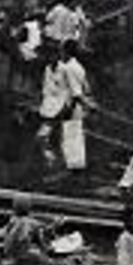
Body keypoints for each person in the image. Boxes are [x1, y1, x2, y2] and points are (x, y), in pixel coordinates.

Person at [56, 40, 92, 173]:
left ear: (65, 52)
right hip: (75, 106)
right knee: (74, 136)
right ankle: (75, 166)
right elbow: (86, 87)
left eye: (61, 51)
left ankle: (73, 169)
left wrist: (69, 110)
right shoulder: (78, 66)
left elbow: (76, 94)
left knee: (71, 137)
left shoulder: (69, 69)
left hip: (72, 107)